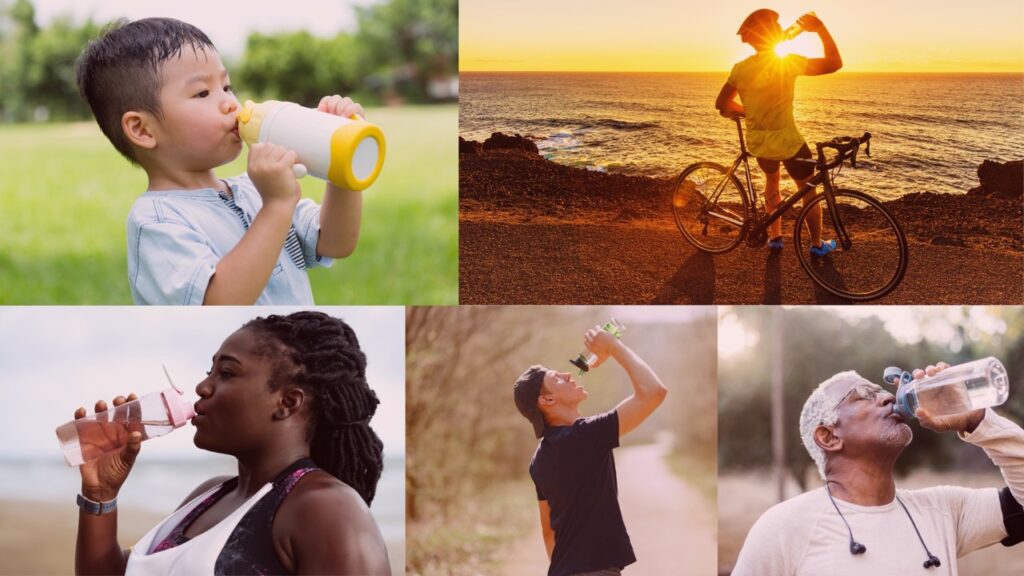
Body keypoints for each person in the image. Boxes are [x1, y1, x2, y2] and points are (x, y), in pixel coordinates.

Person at [73, 311, 391, 575]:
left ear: (288, 403)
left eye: (226, 372)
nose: (202, 387)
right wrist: (100, 495)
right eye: (209, 371)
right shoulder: (208, 496)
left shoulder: (326, 510)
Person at [75, 18, 365, 305]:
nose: (230, 103)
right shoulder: (156, 221)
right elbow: (218, 304)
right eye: (202, 92)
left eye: (226, 87)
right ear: (142, 129)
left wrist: (339, 160)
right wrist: (276, 207)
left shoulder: (254, 190)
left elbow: (336, 242)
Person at [732, 362, 1024, 575]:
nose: (886, 397)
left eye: (881, 391)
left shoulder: (945, 509)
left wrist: (978, 422)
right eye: (863, 395)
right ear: (829, 436)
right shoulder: (784, 527)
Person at [513, 325, 669, 576]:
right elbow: (654, 392)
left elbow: (548, 531)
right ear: (548, 400)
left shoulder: (539, 459)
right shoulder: (585, 437)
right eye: (556, 378)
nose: (567, 374)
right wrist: (614, 347)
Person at [715, 9, 842, 255]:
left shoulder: (740, 69)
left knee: (771, 181)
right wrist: (820, 29)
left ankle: (775, 238)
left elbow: (722, 104)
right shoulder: (787, 61)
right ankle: (817, 245)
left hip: (760, 143)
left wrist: (749, 112)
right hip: (788, 141)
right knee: (807, 189)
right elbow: (835, 63)